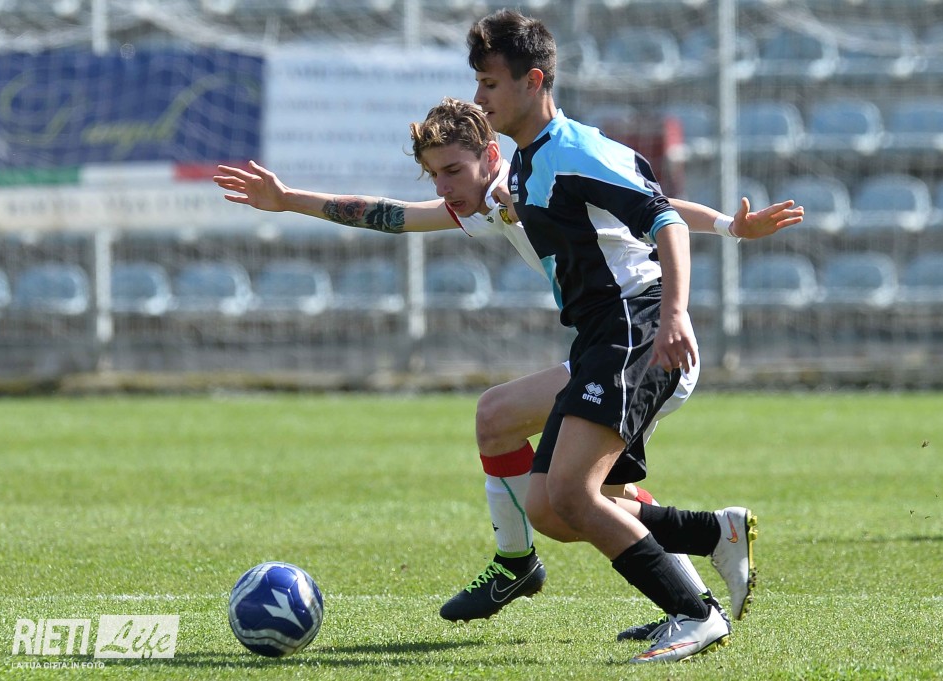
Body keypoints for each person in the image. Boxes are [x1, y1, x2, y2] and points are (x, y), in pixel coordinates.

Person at [213, 98, 800, 650]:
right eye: (434, 175)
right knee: (529, 458)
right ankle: (681, 548)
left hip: (640, 338)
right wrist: (288, 200)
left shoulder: (525, 180)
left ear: (490, 154)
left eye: (452, 170)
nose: (443, 187)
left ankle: (671, 587)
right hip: (606, 344)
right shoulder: (491, 198)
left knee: (571, 493)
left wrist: (728, 227)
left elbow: (652, 205)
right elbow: (390, 215)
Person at [464, 8, 767, 663]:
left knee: (574, 493)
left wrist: (676, 313)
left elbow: (662, 218)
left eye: (489, 84)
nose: (480, 97)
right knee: (549, 506)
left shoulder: (574, 150)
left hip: (636, 324)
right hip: (601, 337)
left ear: (533, 81)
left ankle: (695, 615)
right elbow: (641, 202)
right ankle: (713, 533)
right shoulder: (529, 164)